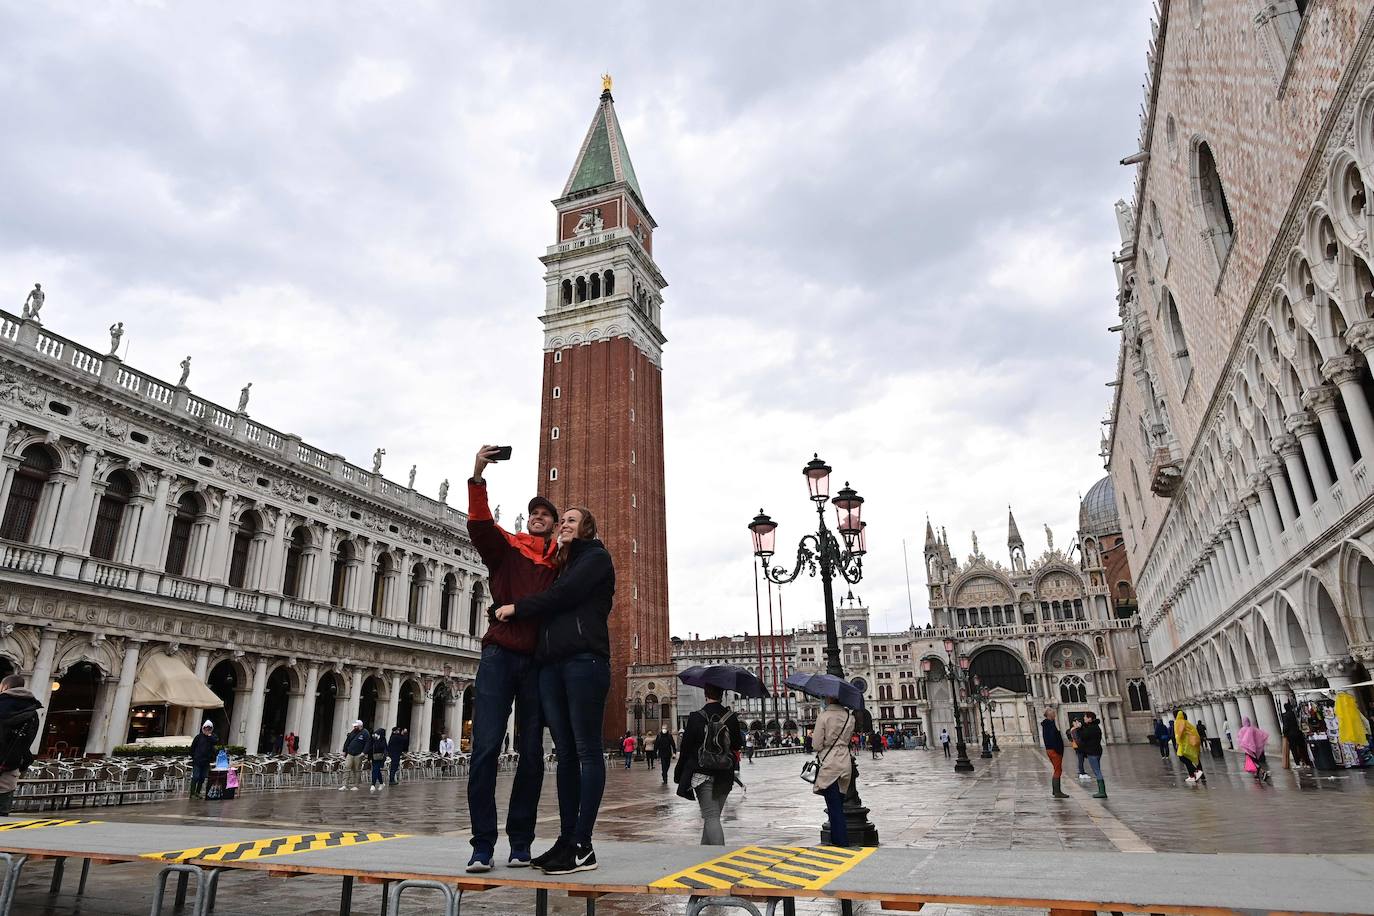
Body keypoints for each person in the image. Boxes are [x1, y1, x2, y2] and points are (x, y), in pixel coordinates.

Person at [494, 506, 614, 876]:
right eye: (562, 520)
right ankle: (566, 839)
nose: (563, 524)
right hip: (552, 664)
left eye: (571, 521)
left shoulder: (595, 558)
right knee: (565, 754)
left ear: (587, 529)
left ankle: (583, 844)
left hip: (583, 661)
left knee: (586, 751)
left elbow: (563, 596)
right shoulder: (559, 563)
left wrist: (516, 608)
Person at [464, 445, 559, 873]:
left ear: (556, 526)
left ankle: (521, 841)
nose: (537, 516)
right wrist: (478, 475)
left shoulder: (562, 562)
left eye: (546, 515)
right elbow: (481, 527)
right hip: (500, 654)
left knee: (532, 756)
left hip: (537, 661)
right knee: (484, 748)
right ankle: (482, 844)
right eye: (534, 513)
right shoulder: (509, 547)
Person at [675, 685, 744, 845]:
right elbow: (737, 745)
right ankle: (705, 853)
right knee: (712, 817)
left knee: (711, 817)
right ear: (722, 694)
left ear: (705, 693)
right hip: (725, 774)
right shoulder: (731, 717)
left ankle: (720, 858)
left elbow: (685, 749)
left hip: (702, 773)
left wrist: (680, 774)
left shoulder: (696, 717)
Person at [811, 696, 855, 847]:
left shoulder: (823, 717)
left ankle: (840, 841)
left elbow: (816, 744)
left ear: (829, 699)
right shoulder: (850, 717)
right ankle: (838, 838)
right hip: (845, 761)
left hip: (830, 763)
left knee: (833, 805)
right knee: (839, 802)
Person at [0, 675, 43, 815]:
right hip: (10, 767)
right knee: (2, 814)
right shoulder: (33, 713)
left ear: (5, 687)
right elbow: (28, 742)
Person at [1041, 707, 1069, 799]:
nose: (1055, 715)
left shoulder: (1048, 724)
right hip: (1054, 750)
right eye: (1053, 713)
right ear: (1050, 715)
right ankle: (1057, 792)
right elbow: (1053, 738)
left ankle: (1056, 791)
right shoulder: (1050, 725)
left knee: (1057, 769)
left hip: (1050, 749)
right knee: (1058, 770)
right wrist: (1058, 750)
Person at [1078, 711, 1107, 799]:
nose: (1084, 719)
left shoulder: (1092, 728)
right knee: (1097, 770)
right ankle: (1101, 791)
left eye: (1085, 717)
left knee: (1097, 771)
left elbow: (1083, 736)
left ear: (1090, 718)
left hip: (1092, 752)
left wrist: (1079, 728)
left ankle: (1102, 792)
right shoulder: (1094, 726)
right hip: (1096, 751)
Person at [1174, 711, 1206, 785]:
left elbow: (1179, 734)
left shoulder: (1179, 722)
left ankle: (1195, 772)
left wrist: (1177, 743)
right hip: (1191, 744)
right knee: (1194, 758)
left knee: (1182, 757)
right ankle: (1195, 775)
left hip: (1184, 744)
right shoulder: (1187, 723)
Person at [1237, 716, 1271, 782]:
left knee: (1253, 762)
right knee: (1255, 761)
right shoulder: (1253, 729)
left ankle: (1263, 772)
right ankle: (1256, 774)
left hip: (1248, 749)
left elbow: (1240, 739)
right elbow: (1261, 735)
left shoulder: (1242, 730)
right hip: (1254, 748)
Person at [189, 721, 217, 798]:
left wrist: (209, 736)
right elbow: (192, 748)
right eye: (206, 728)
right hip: (197, 761)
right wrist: (194, 757)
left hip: (206, 761)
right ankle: (192, 793)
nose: (207, 730)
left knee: (202, 777)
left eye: (209, 729)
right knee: (196, 777)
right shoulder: (198, 737)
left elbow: (215, 741)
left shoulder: (212, 737)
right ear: (203, 728)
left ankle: (197, 792)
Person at [339, 720, 369, 791]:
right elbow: (347, 741)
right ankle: (344, 785)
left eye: (356, 726)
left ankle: (356, 785)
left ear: (360, 726)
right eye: (354, 726)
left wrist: (364, 752)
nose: (354, 727)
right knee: (347, 768)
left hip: (358, 754)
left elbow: (368, 743)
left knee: (357, 770)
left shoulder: (365, 733)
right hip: (350, 753)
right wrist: (344, 750)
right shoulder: (352, 732)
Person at [1280, 701, 1310, 768]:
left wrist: (1285, 734)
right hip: (1298, 732)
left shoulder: (1285, 715)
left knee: (1294, 749)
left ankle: (1298, 762)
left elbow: (1286, 726)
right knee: (1302, 748)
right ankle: (1307, 762)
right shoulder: (1295, 714)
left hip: (1291, 735)